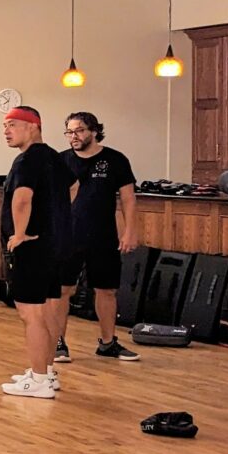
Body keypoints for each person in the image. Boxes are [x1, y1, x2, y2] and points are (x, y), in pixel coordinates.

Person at [0, 106, 74, 399]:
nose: (6, 131)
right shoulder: (54, 157)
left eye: (12, 125)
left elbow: (22, 199)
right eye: (4, 126)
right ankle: (47, 372)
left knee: (30, 313)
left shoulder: (27, 160)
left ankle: (39, 379)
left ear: (33, 126)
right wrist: (54, 216)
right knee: (48, 310)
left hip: (32, 247)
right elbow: (75, 185)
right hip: (54, 244)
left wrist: (19, 234)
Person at [56, 112, 140, 362]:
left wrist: (130, 230)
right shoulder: (61, 161)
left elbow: (128, 199)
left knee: (107, 290)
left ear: (93, 131)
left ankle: (108, 343)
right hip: (68, 235)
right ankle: (58, 343)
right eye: (69, 132)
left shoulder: (115, 160)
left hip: (103, 234)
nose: (73, 136)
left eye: (79, 130)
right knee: (62, 289)